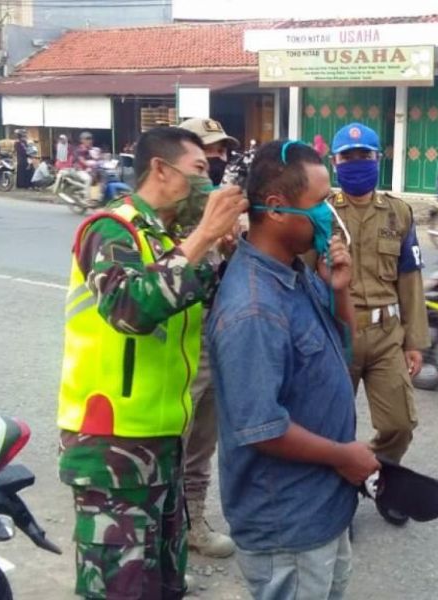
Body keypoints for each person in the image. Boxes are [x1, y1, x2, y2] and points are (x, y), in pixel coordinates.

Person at [56, 126, 246, 600]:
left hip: (162, 443)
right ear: (160, 169)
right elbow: (130, 309)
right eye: (199, 170)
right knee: (119, 590)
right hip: (111, 446)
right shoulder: (109, 228)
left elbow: (202, 313)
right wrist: (203, 236)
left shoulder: (164, 239)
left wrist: (222, 252)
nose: (209, 181)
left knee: (163, 584)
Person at [209, 139, 379, 599]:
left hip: (321, 509)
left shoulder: (295, 272)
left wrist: (339, 290)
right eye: (321, 203)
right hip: (288, 524)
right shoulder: (254, 308)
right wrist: (346, 457)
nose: (331, 214)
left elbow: (343, 350)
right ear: (279, 208)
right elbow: (261, 427)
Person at [328, 122, 430, 526]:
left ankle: (378, 478)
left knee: (399, 424)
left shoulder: (399, 212)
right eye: (347, 157)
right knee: (333, 423)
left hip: (388, 334)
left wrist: (414, 341)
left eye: (364, 156)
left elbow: (410, 278)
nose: (356, 163)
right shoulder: (322, 211)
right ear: (334, 163)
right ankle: (337, 504)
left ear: (377, 159)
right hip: (338, 333)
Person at [177, 117, 240, 558]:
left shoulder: (220, 212)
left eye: (220, 153)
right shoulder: (157, 216)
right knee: (171, 443)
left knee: (203, 439)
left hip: (214, 337)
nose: (216, 163)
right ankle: (167, 532)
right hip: (176, 345)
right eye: (205, 156)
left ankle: (193, 521)